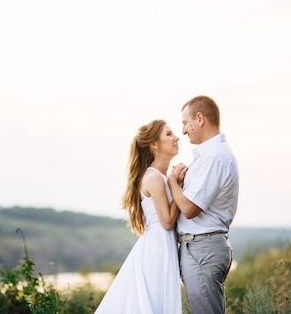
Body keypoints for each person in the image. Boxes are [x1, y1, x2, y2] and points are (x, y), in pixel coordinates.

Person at [94, 119, 183, 314]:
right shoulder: (154, 178)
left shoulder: (160, 177)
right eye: (169, 134)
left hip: (162, 247)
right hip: (156, 251)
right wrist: (176, 184)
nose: (176, 137)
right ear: (154, 144)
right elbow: (167, 221)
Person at [168, 95, 239, 314]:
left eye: (185, 123)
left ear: (199, 118)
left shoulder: (214, 158)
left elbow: (189, 209)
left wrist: (172, 183)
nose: (183, 131)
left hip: (202, 250)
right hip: (200, 249)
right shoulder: (210, 156)